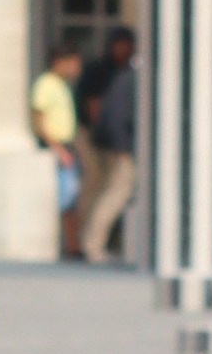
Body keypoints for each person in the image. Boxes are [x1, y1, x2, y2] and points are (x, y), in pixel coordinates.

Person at [76, 24, 140, 261]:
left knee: (106, 191)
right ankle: (91, 243)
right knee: (112, 192)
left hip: (110, 139)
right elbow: (98, 109)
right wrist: (120, 145)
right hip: (106, 140)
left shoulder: (126, 72)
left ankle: (90, 242)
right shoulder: (111, 73)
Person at [29, 29, 83, 255]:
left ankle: (72, 245)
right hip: (57, 149)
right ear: (59, 61)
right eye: (72, 62)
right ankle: (65, 246)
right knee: (62, 200)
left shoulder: (61, 85)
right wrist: (58, 149)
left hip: (66, 146)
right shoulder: (46, 84)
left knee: (70, 199)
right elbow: (38, 120)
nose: (76, 68)